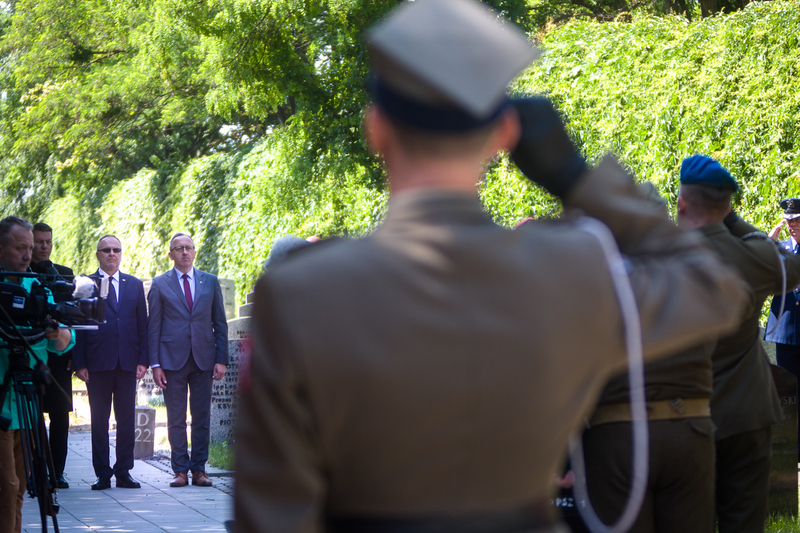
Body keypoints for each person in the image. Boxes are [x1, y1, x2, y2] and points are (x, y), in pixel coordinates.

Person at [233, 1, 752, 532]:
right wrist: (576, 179)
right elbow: (714, 287)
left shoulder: (302, 292)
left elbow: (271, 512)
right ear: (505, 135)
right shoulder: (570, 270)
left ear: (376, 129)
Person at [674, 157, 800, 533]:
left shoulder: (660, 255)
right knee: (744, 522)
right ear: (728, 205)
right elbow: (788, 265)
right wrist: (735, 223)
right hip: (746, 414)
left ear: (682, 204)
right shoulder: (750, 256)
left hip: (683, 414)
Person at [0, 216, 73, 533]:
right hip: (1, 403)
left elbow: (66, 337)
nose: (28, 255)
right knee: (7, 485)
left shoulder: (39, 285)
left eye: (30, 247)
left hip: (27, 405)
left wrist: (57, 335)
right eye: (20, 248)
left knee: (17, 490)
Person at [148, 233, 228, 488]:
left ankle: (199, 470)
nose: (184, 252)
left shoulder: (210, 282)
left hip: (204, 358)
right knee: (176, 418)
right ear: (170, 254)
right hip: (172, 360)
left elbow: (219, 323)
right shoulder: (160, 284)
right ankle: (180, 470)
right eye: (178, 248)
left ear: (195, 252)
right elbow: (153, 327)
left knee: (202, 417)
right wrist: (155, 364)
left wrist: (221, 359)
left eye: (188, 248)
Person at [72, 235, 148, 490]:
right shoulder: (85, 285)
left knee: (126, 420)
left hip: (127, 362)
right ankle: (103, 473)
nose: (111, 254)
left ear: (121, 253)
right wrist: (80, 362)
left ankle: (124, 471)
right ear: (98, 255)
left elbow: (142, 325)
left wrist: (143, 360)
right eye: (106, 250)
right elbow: (80, 327)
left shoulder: (134, 285)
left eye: (116, 250)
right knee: (99, 420)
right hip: (97, 362)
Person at [30, 222, 74, 489]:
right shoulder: (19, 272)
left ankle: (57, 472)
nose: (44, 246)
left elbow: (74, 317)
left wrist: (75, 358)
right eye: (39, 241)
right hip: (32, 355)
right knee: (33, 416)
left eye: (48, 241)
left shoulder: (65, 274)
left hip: (59, 357)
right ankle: (35, 471)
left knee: (60, 416)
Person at [765, 198, 800, 378]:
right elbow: (761, 277)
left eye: (797, 220)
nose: (792, 225)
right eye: (789, 221)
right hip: (785, 330)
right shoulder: (779, 249)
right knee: (788, 389)